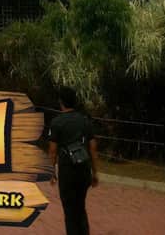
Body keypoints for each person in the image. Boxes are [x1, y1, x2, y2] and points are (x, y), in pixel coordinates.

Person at [48, 86, 99, 235]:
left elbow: (52, 151)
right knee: (80, 207)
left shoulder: (57, 122)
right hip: (83, 170)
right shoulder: (84, 121)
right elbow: (93, 148)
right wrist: (94, 172)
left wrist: (52, 172)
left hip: (67, 172)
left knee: (70, 211)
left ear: (61, 102)